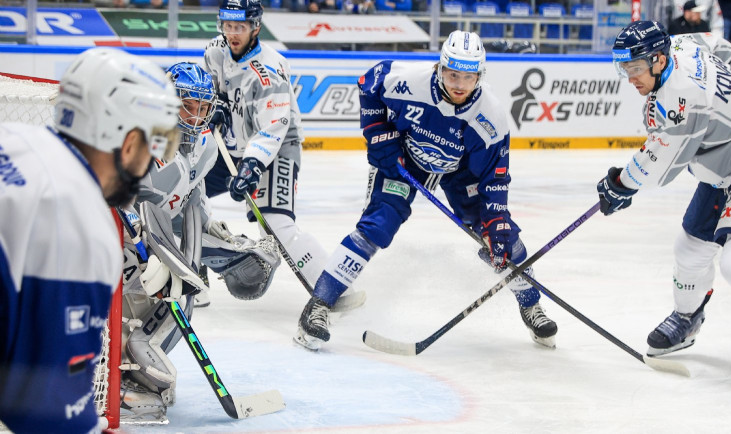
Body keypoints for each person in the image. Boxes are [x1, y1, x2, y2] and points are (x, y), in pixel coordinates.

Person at [294, 30, 558, 351]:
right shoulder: (408, 81)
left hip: (460, 171)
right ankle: (319, 304)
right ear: (439, 68)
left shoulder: (491, 116)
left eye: (469, 77)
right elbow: (369, 83)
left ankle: (531, 303)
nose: (460, 85)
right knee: (377, 226)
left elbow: (494, 179)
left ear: (480, 75)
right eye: (452, 74)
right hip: (406, 159)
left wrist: (495, 220)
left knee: (501, 237)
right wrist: (378, 132)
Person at [0, 47, 180, 433]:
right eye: (151, 146)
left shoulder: (14, 138)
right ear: (129, 144)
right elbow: (44, 410)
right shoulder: (81, 218)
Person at [117, 62, 280, 422]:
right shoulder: (141, 139)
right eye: (189, 104)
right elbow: (116, 196)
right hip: (115, 248)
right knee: (120, 313)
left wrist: (223, 244)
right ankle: (111, 379)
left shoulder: (203, 147)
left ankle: (133, 376)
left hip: (152, 249)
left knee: (182, 297)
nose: (197, 115)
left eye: (204, 107)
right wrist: (140, 247)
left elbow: (191, 205)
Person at [597, 21, 731, 357]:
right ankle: (687, 317)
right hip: (728, 166)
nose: (630, 77)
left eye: (635, 68)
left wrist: (619, 185)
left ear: (658, 60)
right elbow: (725, 50)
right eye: (625, 68)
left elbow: (658, 169)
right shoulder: (681, 45)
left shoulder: (680, 101)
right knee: (691, 249)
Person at [203, 0, 329, 293]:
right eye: (228, 26)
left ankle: (332, 287)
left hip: (277, 147)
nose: (232, 33)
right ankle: (193, 273)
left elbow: (274, 127)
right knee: (183, 194)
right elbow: (210, 89)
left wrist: (251, 166)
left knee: (277, 227)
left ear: (255, 27)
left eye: (240, 27)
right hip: (230, 145)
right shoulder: (214, 50)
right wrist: (214, 104)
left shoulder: (269, 70)